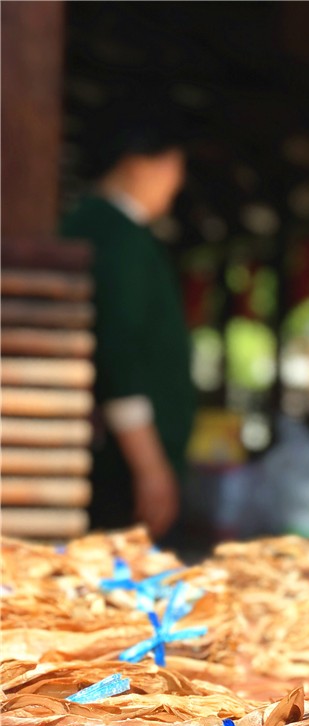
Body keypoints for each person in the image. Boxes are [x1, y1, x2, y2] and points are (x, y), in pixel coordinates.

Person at [60, 109, 195, 540]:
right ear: (141, 162)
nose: (177, 182)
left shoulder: (88, 225)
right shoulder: (120, 238)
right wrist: (150, 466)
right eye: (176, 166)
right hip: (117, 465)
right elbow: (120, 356)